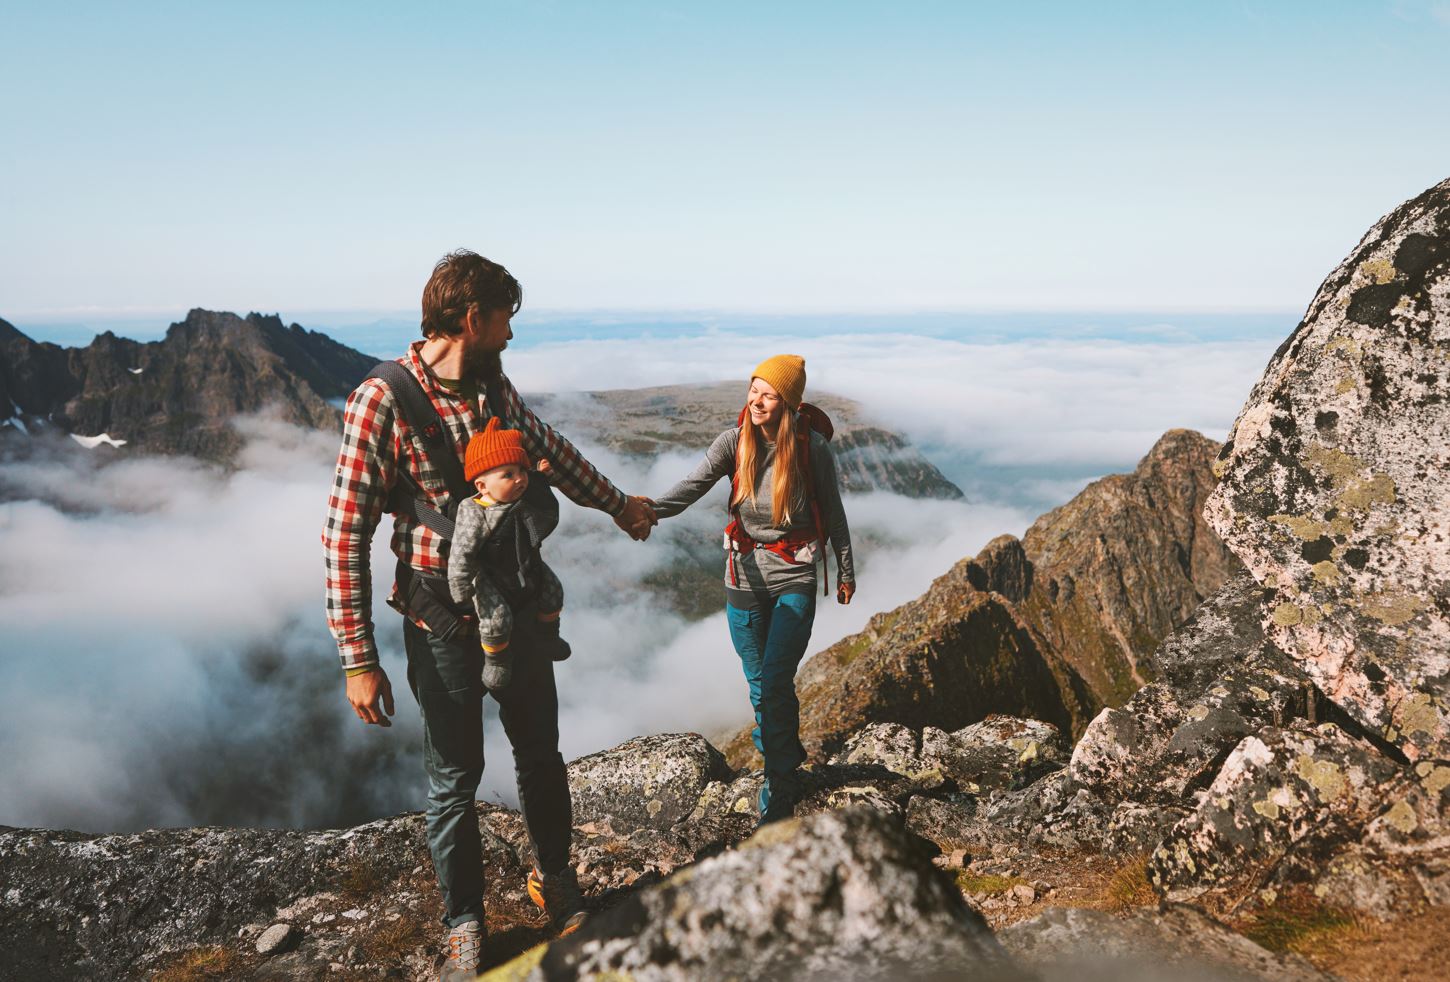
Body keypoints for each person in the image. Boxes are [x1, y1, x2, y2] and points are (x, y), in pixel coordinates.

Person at [322, 250, 656, 978]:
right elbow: (346, 532)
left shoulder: (490, 386)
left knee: (541, 755)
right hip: (439, 619)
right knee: (455, 776)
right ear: (472, 317)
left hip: (518, 609)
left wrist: (619, 504)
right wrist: (357, 656)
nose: (510, 334)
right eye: (505, 318)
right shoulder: (382, 401)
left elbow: (544, 451)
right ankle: (464, 920)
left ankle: (557, 881)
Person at [649, 354, 855, 826]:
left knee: (776, 677)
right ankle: (782, 760)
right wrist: (645, 511)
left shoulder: (811, 449)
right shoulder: (733, 442)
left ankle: (779, 781)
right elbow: (693, 485)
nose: (757, 401)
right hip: (742, 573)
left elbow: (835, 512)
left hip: (795, 574)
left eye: (769, 394)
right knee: (760, 685)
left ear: (789, 403)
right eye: (754, 390)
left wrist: (845, 571)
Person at [448, 416, 572, 690]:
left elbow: (536, 492)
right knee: (496, 620)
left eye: (521, 471)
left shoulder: (518, 496)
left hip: (524, 565)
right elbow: (462, 551)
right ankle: (497, 660)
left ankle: (549, 635)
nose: (519, 480)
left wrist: (541, 476)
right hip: (489, 576)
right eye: (508, 474)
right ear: (482, 486)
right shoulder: (475, 511)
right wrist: (459, 586)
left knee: (553, 591)